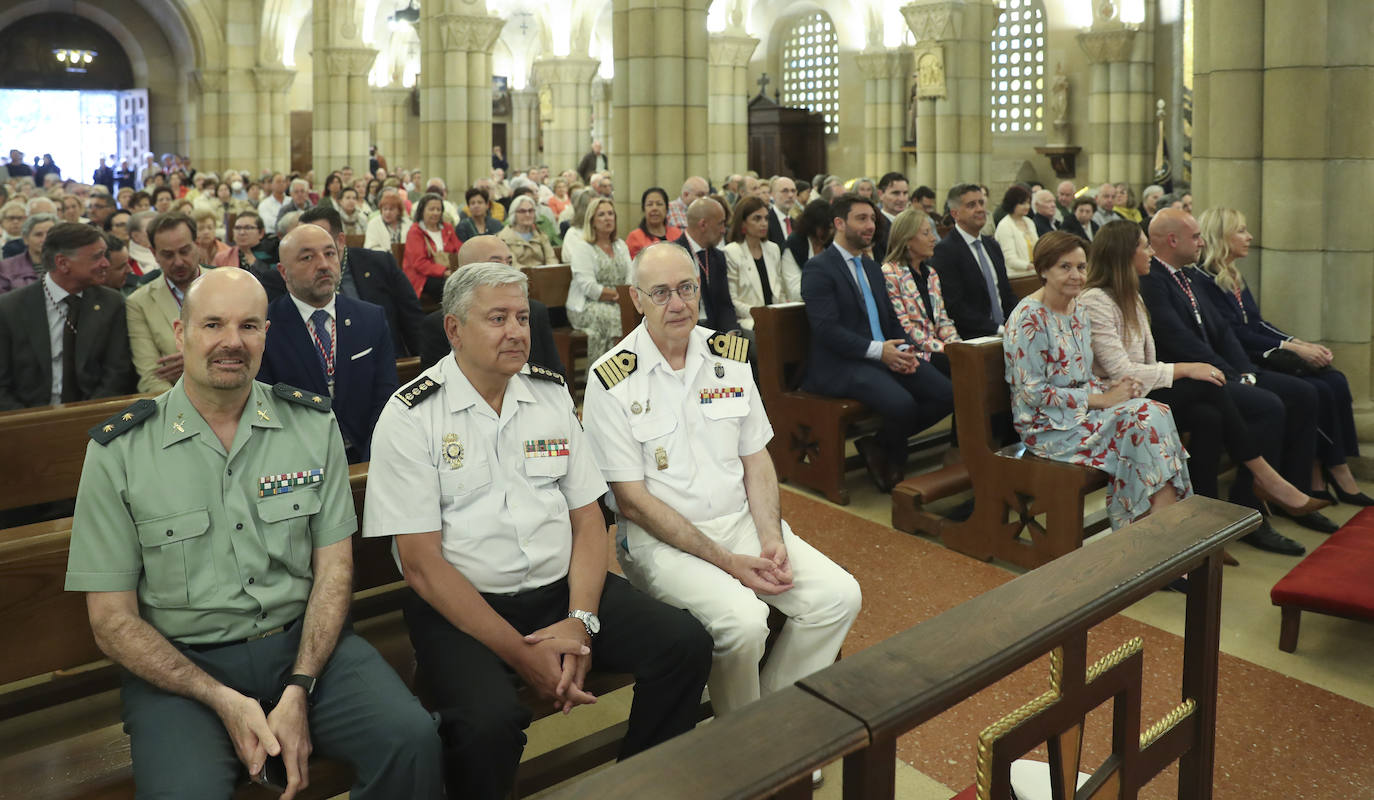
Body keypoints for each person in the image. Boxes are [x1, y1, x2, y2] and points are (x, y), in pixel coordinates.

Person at [65, 267, 443, 799]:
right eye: (212, 324)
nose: (231, 342)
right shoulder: (120, 453)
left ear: (267, 333)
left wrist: (300, 685)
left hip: (307, 648)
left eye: (249, 326)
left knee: (412, 740)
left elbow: (334, 571)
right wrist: (220, 697)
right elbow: (111, 622)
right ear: (181, 333)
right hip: (184, 670)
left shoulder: (311, 425)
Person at [364, 262, 712, 800]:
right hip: (462, 609)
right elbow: (421, 565)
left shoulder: (548, 396)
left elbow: (587, 519)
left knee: (684, 643)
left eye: (523, 317)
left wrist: (580, 619)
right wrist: (522, 654)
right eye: (497, 318)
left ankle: (640, 782)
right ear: (454, 330)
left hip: (560, 594)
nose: (516, 331)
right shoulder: (412, 415)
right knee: (489, 722)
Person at [583, 245, 860, 787]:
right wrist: (731, 563)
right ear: (637, 299)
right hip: (661, 544)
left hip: (741, 523)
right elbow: (633, 501)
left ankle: (771, 723)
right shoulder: (611, 379)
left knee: (838, 596)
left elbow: (755, 456)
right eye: (661, 292)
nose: (678, 303)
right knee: (742, 623)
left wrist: (769, 535)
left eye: (687, 287)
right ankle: (745, 751)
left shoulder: (729, 353)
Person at [1080, 219, 1324, 555]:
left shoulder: (1132, 296)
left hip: (1143, 391)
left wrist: (1205, 370)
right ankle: (1265, 477)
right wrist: (1186, 369)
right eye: (1144, 246)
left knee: (1209, 416)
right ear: (1125, 254)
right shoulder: (1096, 300)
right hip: (1118, 401)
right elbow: (1121, 372)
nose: (1150, 252)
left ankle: (1205, 526)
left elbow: (1159, 357)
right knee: (1207, 386)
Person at [1003, 231, 1191, 529]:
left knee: (1157, 411)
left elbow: (1081, 375)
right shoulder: (1028, 318)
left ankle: (1154, 530)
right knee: (1142, 421)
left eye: (1081, 267)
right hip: (1048, 427)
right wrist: (1101, 399)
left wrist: (1110, 390)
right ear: (1043, 270)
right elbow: (1032, 393)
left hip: (1082, 414)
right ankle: (1154, 531)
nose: (1076, 275)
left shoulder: (1077, 308)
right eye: (1065, 267)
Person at [1195, 207, 1371, 508]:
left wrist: (1297, 342)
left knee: (1335, 379)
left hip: (1259, 351)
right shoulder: (1203, 279)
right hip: (1246, 359)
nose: (1249, 237)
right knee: (1310, 391)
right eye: (1240, 230)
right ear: (1219, 236)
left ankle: (1333, 468)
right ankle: (1308, 479)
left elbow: (1257, 322)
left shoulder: (1233, 275)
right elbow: (1237, 334)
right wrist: (1291, 348)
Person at [800, 194, 953, 492]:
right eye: (861, 219)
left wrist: (905, 349)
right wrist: (879, 351)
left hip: (883, 353)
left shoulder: (871, 267)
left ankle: (878, 445)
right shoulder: (819, 268)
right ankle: (895, 463)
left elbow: (891, 320)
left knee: (946, 394)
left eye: (872, 219)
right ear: (839, 223)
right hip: (842, 363)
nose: (870, 225)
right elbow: (826, 330)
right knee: (902, 405)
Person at [256, 225, 396, 464]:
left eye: (330, 253)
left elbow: (386, 397)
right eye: (307, 257)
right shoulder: (266, 328)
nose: (323, 265)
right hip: (299, 464)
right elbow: (267, 411)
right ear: (283, 272)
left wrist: (372, 461)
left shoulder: (370, 318)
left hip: (368, 455)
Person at [0, 222, 134, 409]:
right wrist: (30, 426)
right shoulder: (9, 309)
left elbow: (117, 375)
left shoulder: (111, 304)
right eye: (97, 257)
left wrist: (85, 419)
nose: (106, 263)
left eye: (105, 255)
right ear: (62, 263)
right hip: (26, 421)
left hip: (95, 417)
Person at [416, 235, 563, 375]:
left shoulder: (535, 312)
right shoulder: (438, 324)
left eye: (510, 262)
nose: (507, 270)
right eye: (496, 263)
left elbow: (556, 372)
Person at [127, 212, 207, 393]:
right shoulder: (139, 303)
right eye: (168, 255)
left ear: (198, 245)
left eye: (185, 251)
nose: (178, 262)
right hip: (174, 405)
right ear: (154, 254)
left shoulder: (227, 285)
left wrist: (194, 361)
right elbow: (151, 376)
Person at [930, 183, 1016, 340]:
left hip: (1005, 331)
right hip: (973, 337)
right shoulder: (945, 251)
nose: (980, 209)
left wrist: (1018, 322)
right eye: (971, 205)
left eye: (981, 203)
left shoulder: (992, 246)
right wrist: (998, 329)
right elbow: (955, 307)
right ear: (955, 213)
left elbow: (1006, 293)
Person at [880, 208, 960, 368]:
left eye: (932, 232)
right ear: (907, 239)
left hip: (936, 349)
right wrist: (944, 349)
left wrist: (957, 346)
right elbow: (905, 327)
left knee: (970, 360)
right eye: (926, 233)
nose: (934, 239)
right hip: (913, 353)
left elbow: (943, 321)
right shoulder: (890, 273)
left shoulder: (931, 274)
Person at [564, 197, 632, 361]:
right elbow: (588, 287)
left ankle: (632, 367)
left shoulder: (620, 245)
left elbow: (630, 275)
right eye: (601, 214)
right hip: (586, 305)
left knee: (634, 315)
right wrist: (617, 296)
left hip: (619, 301)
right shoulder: (583, 248)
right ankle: (608, 373)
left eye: (610, 214)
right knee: (617, 317)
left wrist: (624, 295)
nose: (608, 218)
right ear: (592, 221)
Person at [722, 196, 799, 331]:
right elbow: (732, 301)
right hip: (749, 320)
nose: (764, 223)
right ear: (743, 223)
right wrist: (762, 315)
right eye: (757, 218)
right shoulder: (731, 252)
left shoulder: (773, 249)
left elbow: (779, 291)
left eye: (766, 218)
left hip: (774, 316)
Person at [404, 192, 462, 302]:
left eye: (438, 209)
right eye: (431, 209)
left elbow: (459, 249)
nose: (435, 213)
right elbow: (419, 263)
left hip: (449, 273)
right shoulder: (415, 232)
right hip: (422, 277)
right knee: (453, 287)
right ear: (422, 211)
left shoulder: (447, 228)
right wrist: (444, 271)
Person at [0, 212, 54, 295]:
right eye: (38, 235)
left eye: (50, 234)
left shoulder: (68, 265)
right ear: (25, 239)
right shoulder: (6, 268)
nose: (45, 239)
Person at [496, 195, 556, 268]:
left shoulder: (541, 235)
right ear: (513, 214)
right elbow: (512, 265)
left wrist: (550, 271)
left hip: (544, 275)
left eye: (530, 210)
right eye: (522, 211)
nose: (527, 214)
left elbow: (551, 259)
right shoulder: (503, 239)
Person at [994, 184, 1039, 277]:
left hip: (1034, 273)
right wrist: (1031, 267)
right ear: (1012, 203)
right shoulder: (1005, 226)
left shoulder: (1029, 222)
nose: (1027, 206)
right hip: (1016, 276)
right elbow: (1010, 260)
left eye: (1028, 203)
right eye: (1022, 203)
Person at [625, 187, 681, 259]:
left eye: (659, 204)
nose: (654, 208)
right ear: (643, 209)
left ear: (666, 208)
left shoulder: (677, 233)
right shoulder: (634, 237)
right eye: (650, 204)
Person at [765, 176, 798, 250]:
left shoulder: (797, 224)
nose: (790, 195)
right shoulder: (766, 221)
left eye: (793, 191)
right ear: (772, 194)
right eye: (785, 191)